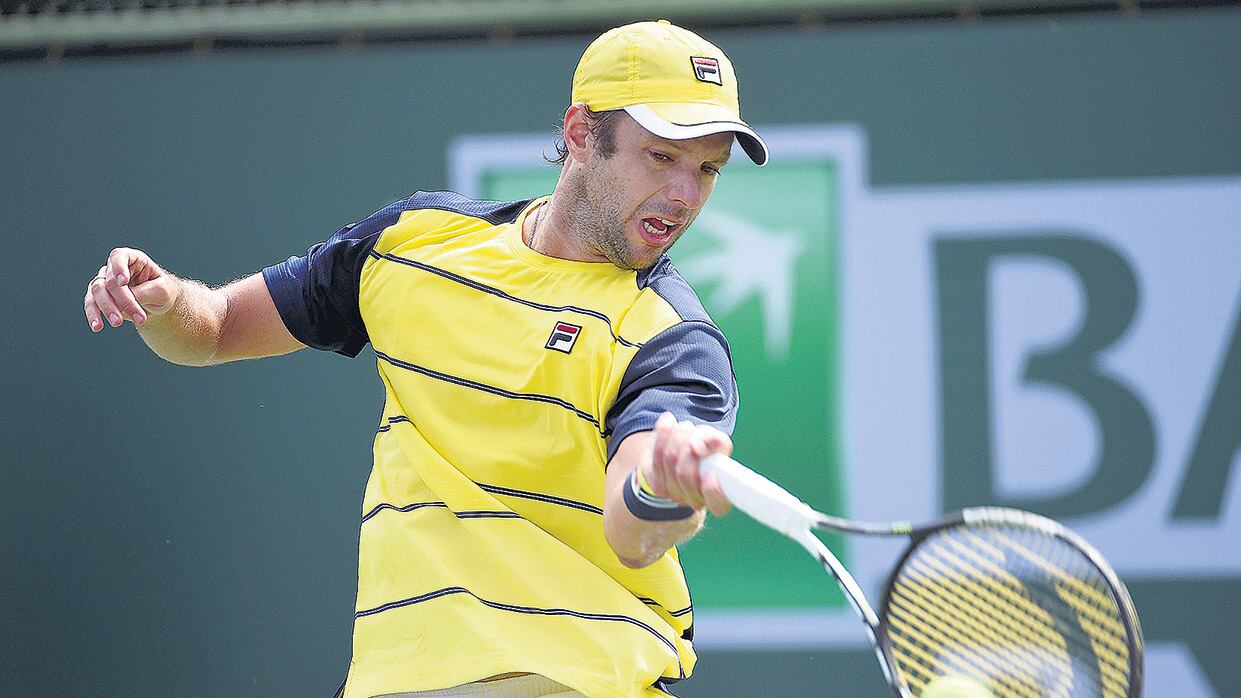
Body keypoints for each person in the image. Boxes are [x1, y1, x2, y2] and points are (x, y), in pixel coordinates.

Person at [83, 19, 768, 698]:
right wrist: (166, 302)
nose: (686, 196)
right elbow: (218, 328)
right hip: (398, 681)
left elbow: (632, 530)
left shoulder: (674, 342)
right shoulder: (412, 242)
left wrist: (661, 488)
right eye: (661, 157)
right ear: (581, 133)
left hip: (578, 684)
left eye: (707, 169)